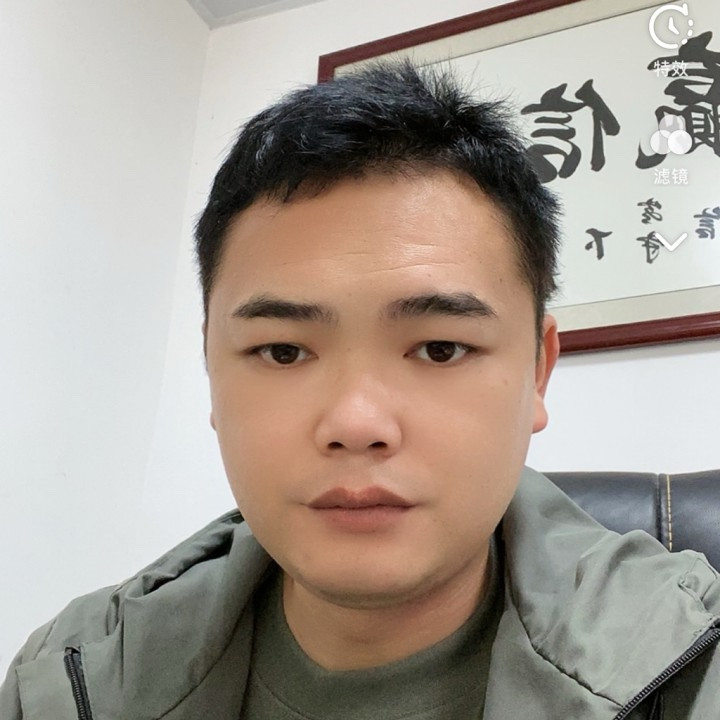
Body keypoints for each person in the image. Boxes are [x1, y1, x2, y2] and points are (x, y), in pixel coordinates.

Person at [1, 60, 718, 720]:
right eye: (283, 350)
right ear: (212, 372)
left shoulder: (690, 664)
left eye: (440, 348)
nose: (356, 421)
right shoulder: (69, 681)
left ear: (537, 371)